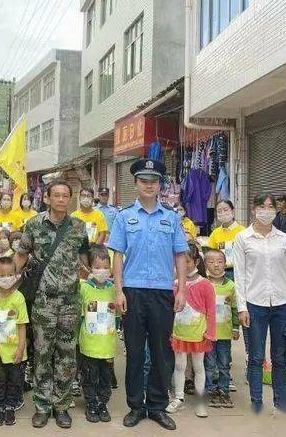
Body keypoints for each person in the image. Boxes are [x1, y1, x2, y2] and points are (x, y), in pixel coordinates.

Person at [108, 158, 188, 430]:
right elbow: (117, 256)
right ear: (136, 184)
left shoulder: (172, 217)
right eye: (144, 181)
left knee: (162, 351)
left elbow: (180, 255)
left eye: (154, 181)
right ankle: (135, 406)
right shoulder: (124, 216)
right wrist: (118, 291)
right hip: (132, 291)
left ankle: (156, 405)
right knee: (134, 352)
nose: (149, 185)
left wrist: (182, 289)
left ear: (160, 185)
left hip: (163, 292)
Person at [15, 180, 90, 429]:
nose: (60, 199)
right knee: (43, 354)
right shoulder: (35, 224)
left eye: (65, 195)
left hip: (70, 301)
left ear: (70, 199)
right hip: (43, 301)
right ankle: (42, 406)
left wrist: (89, 277)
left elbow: (84, 258)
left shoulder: (78, 227)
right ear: (47, 198)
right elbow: (22, 254)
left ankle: (62, 405)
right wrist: (11, 282)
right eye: (56, 195)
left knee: (67, 356)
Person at [235, 193, 286, 414]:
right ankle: (256, 400)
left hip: (282, 303)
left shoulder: (283, 238)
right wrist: (242, 307)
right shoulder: (243, 239)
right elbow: (240, 276)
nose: (266, 211)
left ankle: (280, 399)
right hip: (255, 303)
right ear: (254, 209)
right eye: (262, 206)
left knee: (279, 356)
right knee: (256, 356)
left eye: (270, 207)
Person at [167, 244, 216, 419]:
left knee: (198, 367)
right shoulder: (172, 284)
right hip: (179, 333)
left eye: (186, 261)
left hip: (198, 335)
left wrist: (210, 333)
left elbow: (211, 311)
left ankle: (200, 401)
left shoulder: (205, 284)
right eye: (179, 261)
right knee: (179, 366)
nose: (183, 264)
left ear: (195, 261)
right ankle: (178, 397)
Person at [0, 256, 29, 426]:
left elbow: (22, 325)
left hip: (16, 350)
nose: (6, 278)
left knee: (15, 379)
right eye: (2, 275)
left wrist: (21, 348)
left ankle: (10, 405)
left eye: (10, 274)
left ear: (16, 275)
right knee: (0, 379)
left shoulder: (19, 298)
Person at [78, 247, 117, 424]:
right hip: (89, 345)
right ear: (90, 267)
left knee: (105, 377)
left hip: (107, 346)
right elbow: (79, 316)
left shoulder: (114, 290)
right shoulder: (84, 288)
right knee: (89, 376)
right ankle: (91, 403)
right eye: (97, 266)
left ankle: (103, 403)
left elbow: (117, 316)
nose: (101, 270)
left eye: (105, 266)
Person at [203, 248, 239, 409]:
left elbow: (234, 308)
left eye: (219, 261)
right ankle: (210, 390)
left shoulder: (231, 286)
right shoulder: (204, 285)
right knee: (209, 364)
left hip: (225, 334)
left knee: (224, 364)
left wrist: (236, 328)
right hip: (208, 334)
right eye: (211, 262)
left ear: (225, 263)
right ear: (204, 265)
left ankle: (224, 391)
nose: (216, 265)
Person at [206, 200, 245, 280]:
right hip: (220, 273)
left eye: (225, 210)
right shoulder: (215, 233)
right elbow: (209, 254)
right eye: (219, 211)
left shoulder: (243, 231)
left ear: (233, 211)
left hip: (239, 272)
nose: (222, 213)